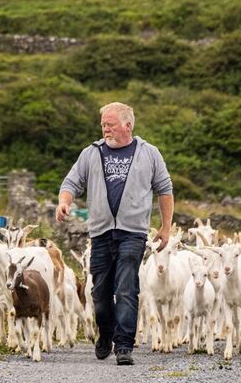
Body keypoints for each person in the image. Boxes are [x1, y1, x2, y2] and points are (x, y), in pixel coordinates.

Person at [56, 102, 174, 365]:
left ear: (127, 125)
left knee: (126, 288)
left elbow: (164, 190)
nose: (105, 129)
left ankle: (124, 346)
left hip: (133, 233)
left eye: (110, 124)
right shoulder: (91, 153)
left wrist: (166, 227)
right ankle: (106, 333)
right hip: (100, 233)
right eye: (103, 125)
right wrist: (65, 201)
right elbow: (71, 182)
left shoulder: (149, 153)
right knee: (99, 293)